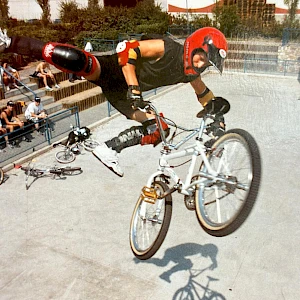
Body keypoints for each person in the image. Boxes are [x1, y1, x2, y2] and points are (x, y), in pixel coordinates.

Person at [0, 27, 228, 176]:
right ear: (194, 45)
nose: (200, 65)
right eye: (202, 57)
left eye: (206, 64)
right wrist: (134, 88)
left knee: (161, 129)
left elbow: (204, 95)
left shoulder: (191, 74)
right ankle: (9, 42)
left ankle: (109, 149)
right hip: (113, 71)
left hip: (125, 96)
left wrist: (218, 119)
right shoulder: (167, 48)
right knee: (77, 60)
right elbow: (129, 51)